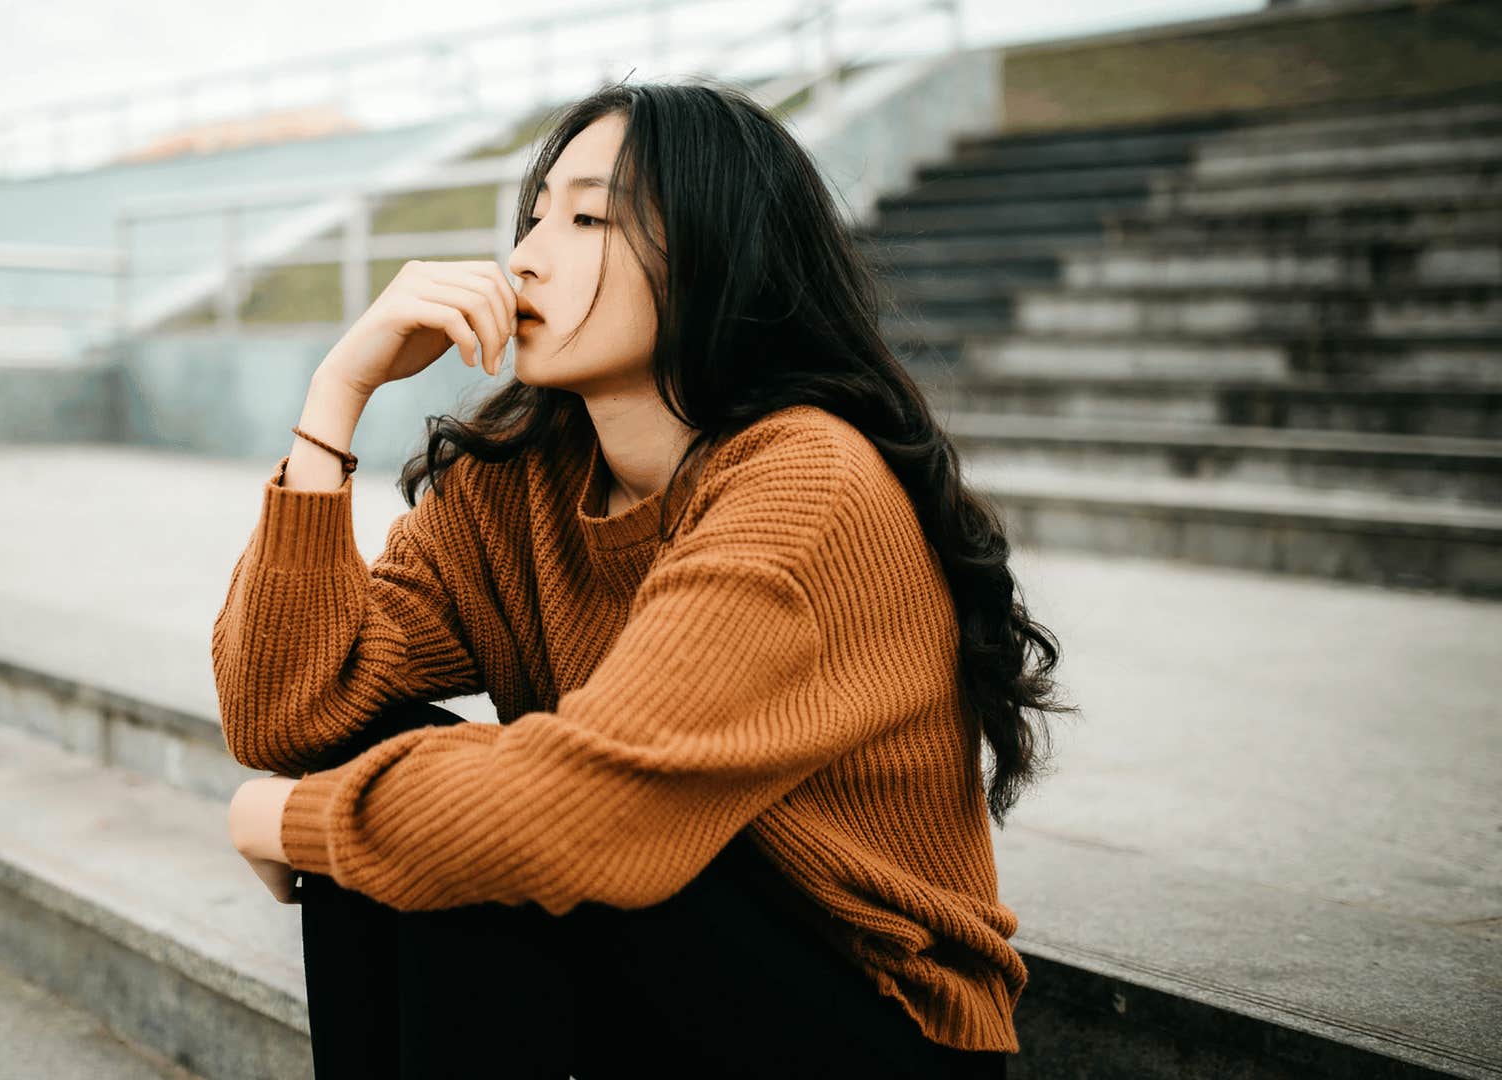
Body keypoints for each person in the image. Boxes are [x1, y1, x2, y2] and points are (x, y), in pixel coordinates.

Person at [214, 77, 1073, 1079]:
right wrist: (336, 398)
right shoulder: (517, 484)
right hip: (658, 963)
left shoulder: (806, 481)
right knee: (404, 774)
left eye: (588, 218)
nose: (527, 254)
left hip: (865, 1015)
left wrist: (283, 818)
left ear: (715, 258)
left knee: (485, 833)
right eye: (533, 216)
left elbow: (587, 812)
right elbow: (285, 711)